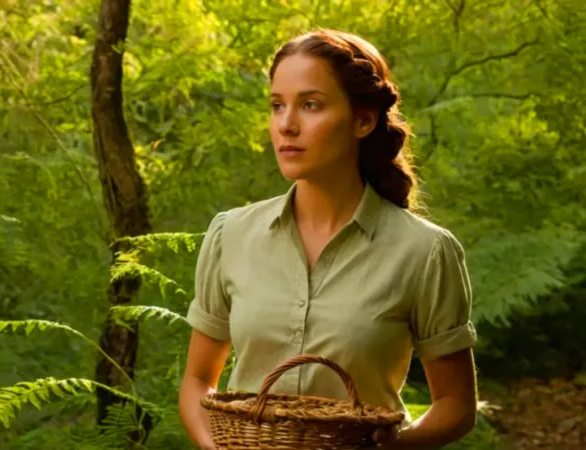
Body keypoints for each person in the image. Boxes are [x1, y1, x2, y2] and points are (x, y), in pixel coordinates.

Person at [178, 29, 478, 450]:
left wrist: (395, 446)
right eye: (277, 106)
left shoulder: (425, 252)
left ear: (363, 119)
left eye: (310, 105)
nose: (287, 125)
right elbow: (197, 381)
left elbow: (456, 404)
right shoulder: (232, 235)